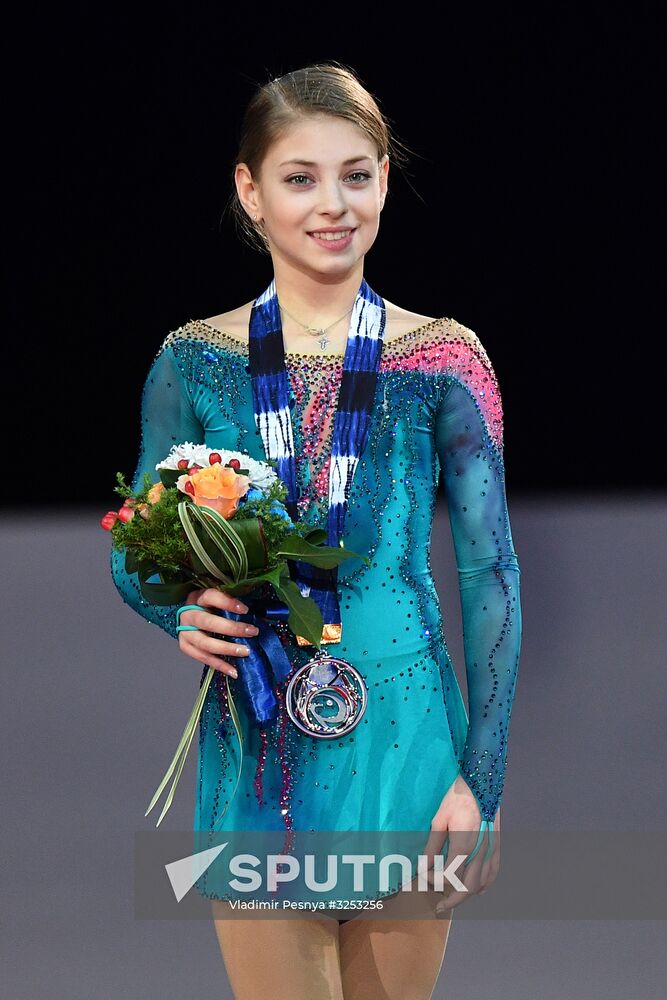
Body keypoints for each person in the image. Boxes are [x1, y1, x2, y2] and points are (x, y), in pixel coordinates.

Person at [110, 62, 522, 1000]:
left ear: (383, 179)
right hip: (257, 749)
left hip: (407, 743)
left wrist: (482, 787)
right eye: (300, 177)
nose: (332, 204)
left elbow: (492, 580)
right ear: (248, 191)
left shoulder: (444, 360)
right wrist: (179, 608)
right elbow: (133, 546)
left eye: (357, 174)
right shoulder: (195, 361)